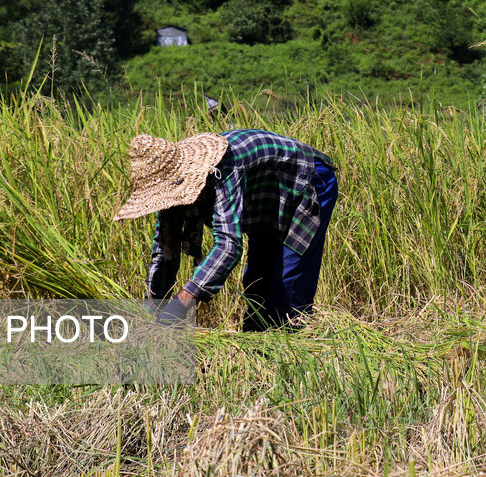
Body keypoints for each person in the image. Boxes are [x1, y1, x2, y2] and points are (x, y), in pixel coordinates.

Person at [114, 129, 338, 331]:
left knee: (286, 288)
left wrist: (180, 304)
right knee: (256, 285)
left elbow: (228, 246)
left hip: (306, 180)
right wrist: (152, 316)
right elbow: (164, 254)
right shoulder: (168, 188)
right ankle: (258, 354)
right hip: (264, 194)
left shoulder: (220, 170)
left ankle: (294, 355)